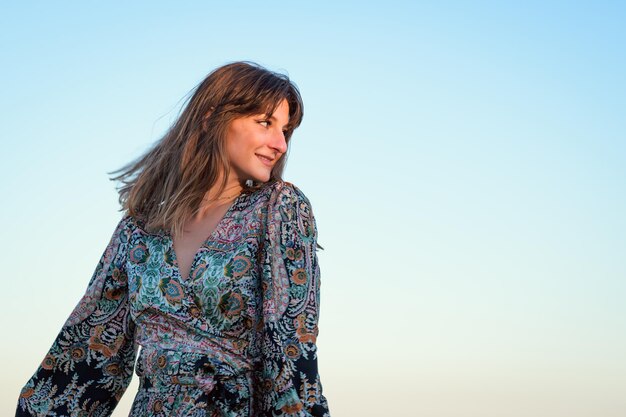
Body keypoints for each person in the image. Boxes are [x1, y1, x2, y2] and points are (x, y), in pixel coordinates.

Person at [16, 61, 330, 417]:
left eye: (286, 131)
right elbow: (87, 356)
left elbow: (290, 348)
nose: (280, 145)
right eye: (265, 123)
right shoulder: (138, 232)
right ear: (212, 117)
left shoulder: (278, 210)